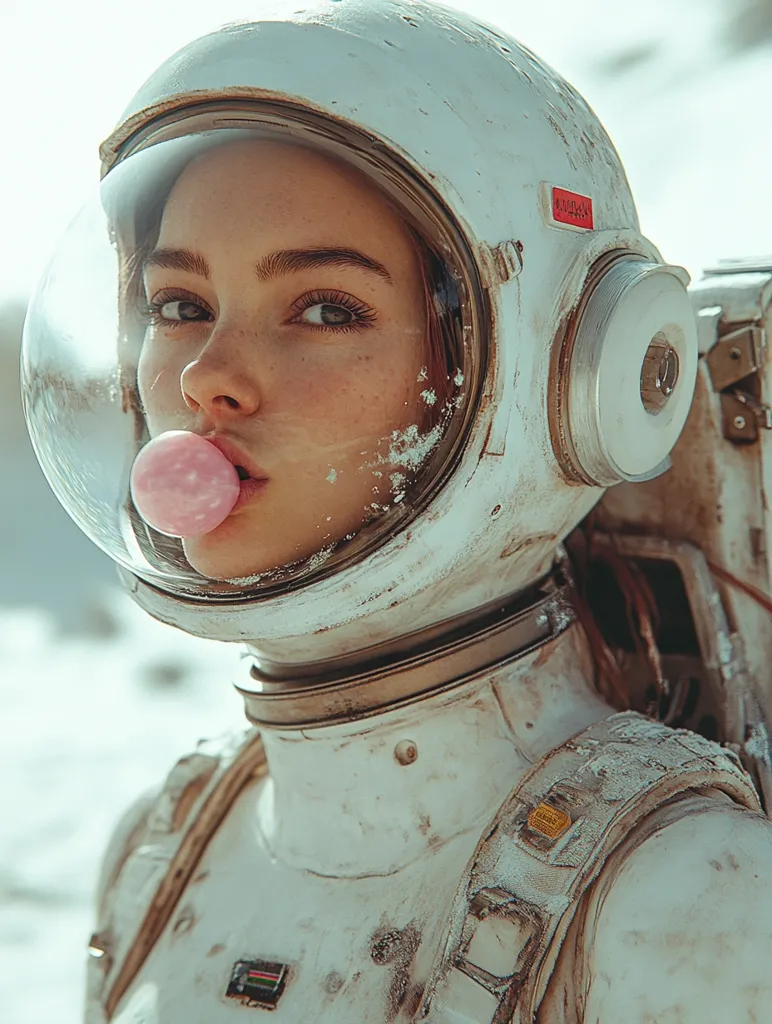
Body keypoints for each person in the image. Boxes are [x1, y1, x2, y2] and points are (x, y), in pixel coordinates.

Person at [20, 1, 772, 1021]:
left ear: (560, 376)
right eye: (179, 306)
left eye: (324, 309)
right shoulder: (164, 848)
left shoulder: (686, 907)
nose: (205, 376)